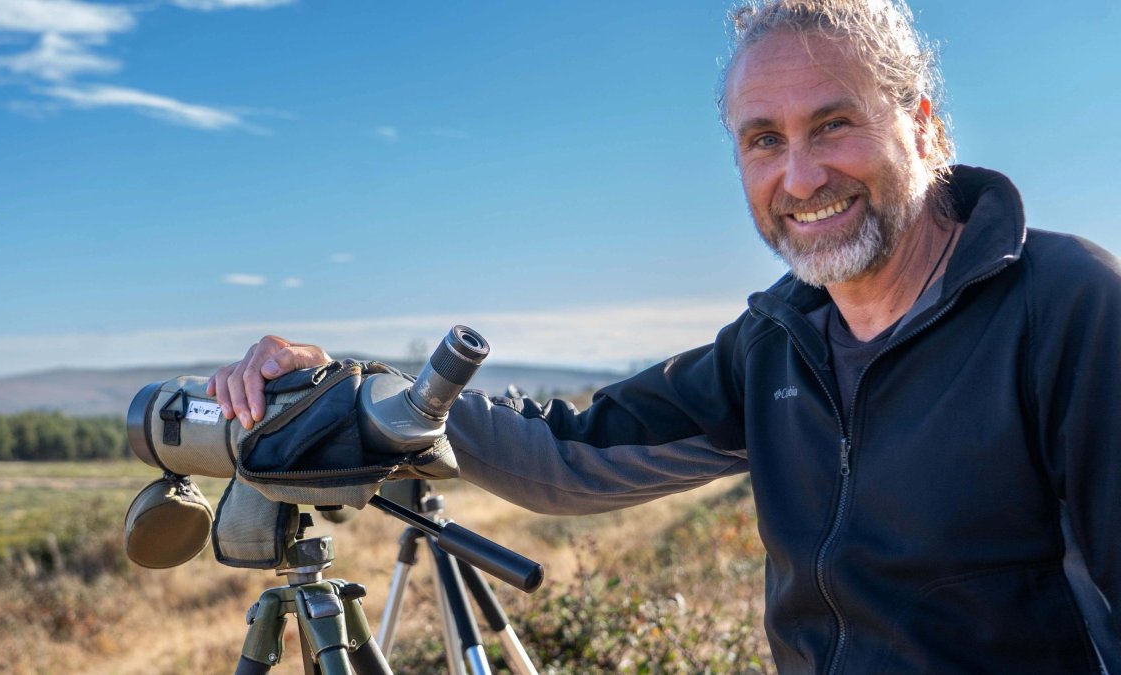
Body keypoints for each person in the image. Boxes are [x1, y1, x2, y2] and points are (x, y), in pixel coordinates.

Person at [209, 1, 1121, 671]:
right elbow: (572, 449)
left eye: (833, 125)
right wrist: (364, 392)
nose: (800, 176)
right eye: (763, 139)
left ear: (920, 126)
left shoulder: (1065, 306)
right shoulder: (776, 340)